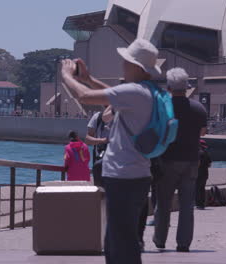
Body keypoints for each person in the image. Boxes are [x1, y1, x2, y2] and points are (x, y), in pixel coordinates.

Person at [61, 38, 160, 264]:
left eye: (126, 61)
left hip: (123, 177)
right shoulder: (148, 92)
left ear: (136, 66)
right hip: (138, 175)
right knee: (119, 238)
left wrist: (67, 77)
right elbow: (113, 94)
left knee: (122, 241)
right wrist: (87, 79)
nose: (122, 65)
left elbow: (84, 97)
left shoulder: (135, 92)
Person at [153, 67, 207, 252]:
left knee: (163, 203)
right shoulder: (199, 108)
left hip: (166, 161)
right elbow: (202, 132)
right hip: (191, 161)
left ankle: (160, 240)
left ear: (168, 87)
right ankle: (183, 243)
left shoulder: (162, 107)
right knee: (186, 205)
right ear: (187, 87)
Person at [85, 106, 113, 186]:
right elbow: (87, 139)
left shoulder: (123, 117)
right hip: (101, 159)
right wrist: (103, 141)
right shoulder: (98, 117)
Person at [196, 140, 212, 209]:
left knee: (197, 189)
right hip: (205, 174)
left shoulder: (198, 153)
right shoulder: (206, 153)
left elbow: (198, 164)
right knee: (202, 189)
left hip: (198, 173)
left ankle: (198, 204)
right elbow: (210, 165)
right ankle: (202, 204)